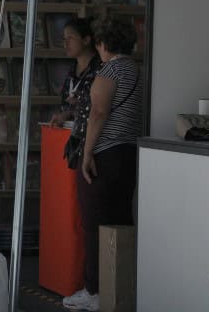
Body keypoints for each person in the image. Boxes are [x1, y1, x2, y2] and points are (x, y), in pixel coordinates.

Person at [63, 17, 142, 312]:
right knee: (121, 220)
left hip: (105, 153)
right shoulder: (135, 68)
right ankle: (121, 285)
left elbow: (98, 112)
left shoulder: (109, 69)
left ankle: (95, 289)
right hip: (127, 152)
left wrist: (86, 153)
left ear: (102, 43)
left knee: (94, 222)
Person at [50, 18, 102, 159]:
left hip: (92, 144)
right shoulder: (72, 71)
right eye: (64, 39)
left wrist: (71, 112)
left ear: (86, 40)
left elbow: (98, 108)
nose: (65, 43)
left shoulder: (100, 70)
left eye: (71, 38)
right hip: (69, 140)